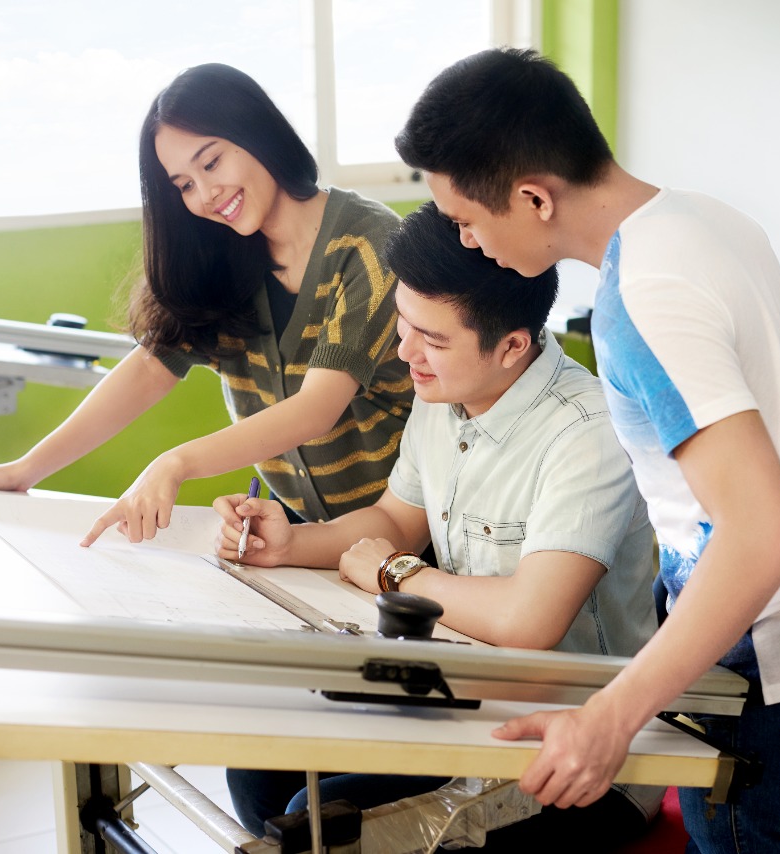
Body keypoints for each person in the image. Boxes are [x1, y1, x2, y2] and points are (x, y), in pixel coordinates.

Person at [394, 48, 780, 853]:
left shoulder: (638, 304)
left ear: (533, 197)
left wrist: (611, 716)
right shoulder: (708, 220)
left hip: (777, 699)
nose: (467, 242)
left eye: (467, 220)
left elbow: (764, 535)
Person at [212, 203, 661, 850]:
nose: (404, 353)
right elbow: (396, 518)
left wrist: (399, 575)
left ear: (511, 346)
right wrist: (291, 542)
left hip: (579, 747)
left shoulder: (584, 432)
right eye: (404, 324)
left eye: (433, 339)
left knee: (323, 819)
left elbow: (530, 621)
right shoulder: (447, 395)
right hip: (465, 701)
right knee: (261, 770)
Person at [0, 63, 413, 542]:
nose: (206, 195)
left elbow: (316, 409)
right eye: (184, 184)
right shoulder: (220, 252)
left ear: (257, 134)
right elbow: (148, 370)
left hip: (403, 535)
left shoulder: (369, 245)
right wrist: (25, 470)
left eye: (211, 163)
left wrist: (175, 463)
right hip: (295, 527)